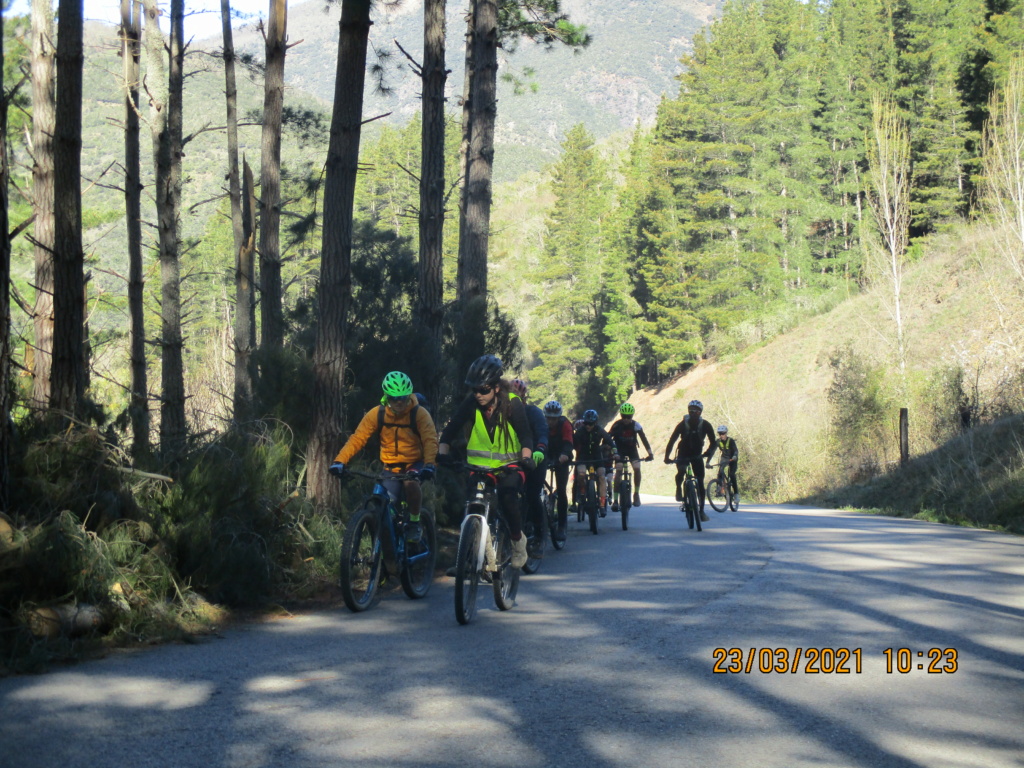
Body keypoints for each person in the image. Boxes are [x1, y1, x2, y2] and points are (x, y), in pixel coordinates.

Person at [437, 355, 535, 569]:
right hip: (479, 468)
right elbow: (449, 432)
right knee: (472, 503)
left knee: (508, 498)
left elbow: (526, 436)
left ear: (496, 388)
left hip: (509, 466)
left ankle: (518, 541)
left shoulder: (512, 403)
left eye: (483, 390)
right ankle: (473, 555)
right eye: (474, 390)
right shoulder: (471, 403)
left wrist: (526, 458)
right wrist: (442, 454)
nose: (478, 395)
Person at [329, 371, 438, 544]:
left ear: (409, 394)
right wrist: (339, 461)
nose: (399, 402)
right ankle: (385, 548)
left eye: (403, 397)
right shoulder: (377, 413)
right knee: (380, 504)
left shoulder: (419, 414)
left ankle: (415, 522)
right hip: (391, 467)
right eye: (394, 398)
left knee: (410, 484)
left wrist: (430, 464)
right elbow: (358, 438)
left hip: (415, 462)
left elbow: (430, 440)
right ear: (387, 396)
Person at [510, 379, 549, 558]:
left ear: (524, 397)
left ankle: (540, 535)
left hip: (535, 458)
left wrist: (540, 449)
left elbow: (542, 432)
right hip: (512, 460)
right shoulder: (503, 413)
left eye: (517, 396)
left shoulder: (533, 412)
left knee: (532, 494)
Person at [664, 399, 717, 522]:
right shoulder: (682, 424)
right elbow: (672, 441)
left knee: (700, 482)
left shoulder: (706, 425)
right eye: (691, 411)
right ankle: (678, 488)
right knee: (681, 471)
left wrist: (708, 452)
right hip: (683, 454)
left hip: (697, 455)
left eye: (697, 411)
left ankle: (702, 511)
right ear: (688, 411)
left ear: (700, 412)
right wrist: (667, 457)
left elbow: (713, 442)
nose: (694, 413)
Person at [608, 403, 655, 510]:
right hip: (619, 450)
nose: (626, 419)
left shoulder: (636, 425)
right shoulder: (616, 425)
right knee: (618, 471)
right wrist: (610, 450)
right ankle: (615, 500)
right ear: (621, 415)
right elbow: (608, 438)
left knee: (637, 468)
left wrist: (650, 453)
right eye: (623, 416)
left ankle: (636, 494)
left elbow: (644, 439)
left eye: (628, 417)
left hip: (631, 450)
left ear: (632, 416)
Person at [573, 409, 617, 512]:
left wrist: (615, 452)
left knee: (601, 476)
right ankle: (583, 492)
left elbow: (610, 441)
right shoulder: (581, 431)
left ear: (595, 423)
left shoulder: (599, 430)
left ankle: (602, 504)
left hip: (597, 456)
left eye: (591, 424)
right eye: (586, 423)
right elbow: (572, 443)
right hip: (583, 457)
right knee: (581, 474)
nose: (588, 426)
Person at [542, 400, 574, 542]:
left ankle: (562, 525)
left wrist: (564, 454)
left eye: (553, 419)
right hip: (547, 454)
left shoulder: (565, 424)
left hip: (562, 456)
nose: (551, 421)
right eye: (548, 418)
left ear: (558, 417)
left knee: (561, 490)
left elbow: (568, 442)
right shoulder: (541, 424)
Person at [707, 424, 739, 503]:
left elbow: (735, 450)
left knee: (731, 474)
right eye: (720, 434)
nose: (722, 435)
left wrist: (735, 456)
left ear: (726, 433)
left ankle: (736, 494)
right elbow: (712, 452)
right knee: (720, 472)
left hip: (732, 459)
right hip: (724, 458)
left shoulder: (730, 440)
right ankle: (719, 489)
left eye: (723, 433)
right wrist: (707, 462)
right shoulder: (718, 442)